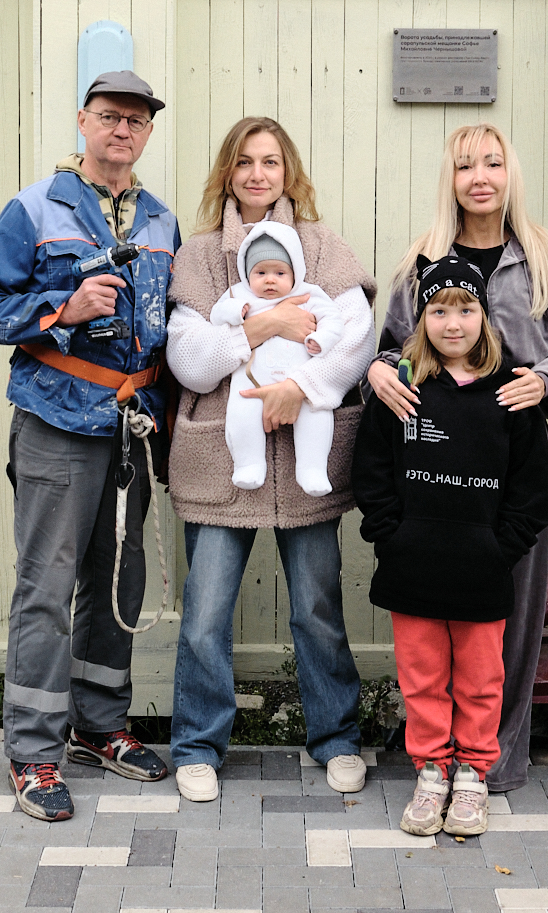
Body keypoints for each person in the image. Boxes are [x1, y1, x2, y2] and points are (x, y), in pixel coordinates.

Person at [0, 70, 179, 822]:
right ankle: (33, 752)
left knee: (118, 583)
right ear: (84, 121)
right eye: (111, 116)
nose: (123, 130)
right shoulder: (34, 209)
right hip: (56, 423)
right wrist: (62, 307)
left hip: (132, 426)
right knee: (46, 591)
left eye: (137, 120)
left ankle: (98, 723)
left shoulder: (160, 222)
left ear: (148, 133)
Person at [163, 116, 377, 803]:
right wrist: (263, 326)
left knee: (316, 605)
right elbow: (189, 361)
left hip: (305, 462)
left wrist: (299, 388)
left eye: (272, 162)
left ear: (290, 172)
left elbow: (358, 340)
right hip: (221, 464)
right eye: (245, 162)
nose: (259, 174)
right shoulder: (198, 256)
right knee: (205, 611)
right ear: (227, 172)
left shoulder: (324, 246)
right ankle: (198, 744)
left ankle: (337, 737)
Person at [365, 123, 548, 793]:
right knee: (431, 634)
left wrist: (544, 376)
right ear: (451, 179)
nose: (480, 176)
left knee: (506, 628)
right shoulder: (421, 259)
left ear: (509, 172)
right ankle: (434, 761)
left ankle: (494, 762)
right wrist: (378, 371)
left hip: (511, 469)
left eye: (493, 162)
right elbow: (392, 349)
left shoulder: (542, 255)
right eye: (466, 165)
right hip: (434, 476)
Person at [352, 255, 548, 837]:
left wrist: (502, 548)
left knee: (480, 676)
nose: (452, 322)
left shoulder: (511, 394)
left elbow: (530, 487)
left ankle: (471, 774)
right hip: (412, 564)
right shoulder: (403, 387)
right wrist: (392, 534)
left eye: (465, 308)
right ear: (422, 317)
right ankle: (432, 771)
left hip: (482, 569)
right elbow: (372, 471)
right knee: (422, 674)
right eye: (438, 309)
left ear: (484, 316)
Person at [209, 221, 346, 495]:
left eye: (280, 272)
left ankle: (313, 469)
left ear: (295, 271)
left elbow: (334, 320)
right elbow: (216, 315)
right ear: (247, 274)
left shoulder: (308, 295)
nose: (270, 279)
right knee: (242, 411)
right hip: (252, 379)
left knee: (317, 413)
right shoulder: (239, 295)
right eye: (260, 272)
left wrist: (321, 339)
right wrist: (236, 312)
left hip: (300, 381)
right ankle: (248, 465)